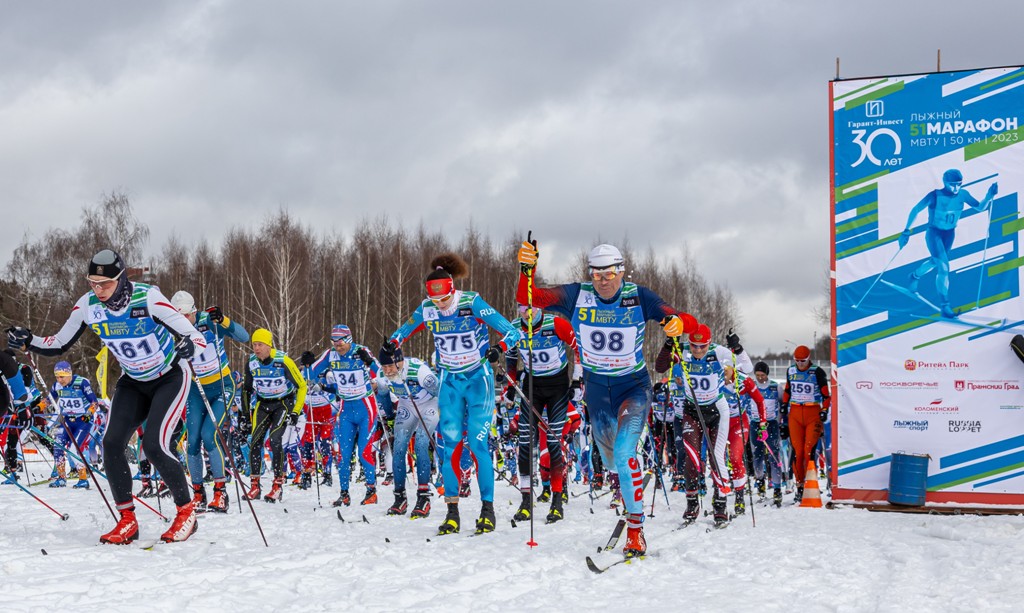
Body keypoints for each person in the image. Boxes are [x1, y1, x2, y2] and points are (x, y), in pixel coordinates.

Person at [7, 249, 207, 544]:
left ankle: (186, 511)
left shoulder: (147, 298)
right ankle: (127, 520)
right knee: (111, 444)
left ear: (121, 279)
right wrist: (30, 341)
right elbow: (59, 343)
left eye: (105, 283)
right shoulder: (88, 306)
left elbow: (194, 335)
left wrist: (190, 345)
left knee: (153, 445)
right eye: (93, 283)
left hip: (170, 377)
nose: (98, 289)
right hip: (133, 382)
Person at [517, 240, 698, 558]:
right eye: (597, 273)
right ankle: (632, 473)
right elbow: (528, 298)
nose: (603, 279)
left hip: (633, 388)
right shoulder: (577, 294)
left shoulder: (639, 296)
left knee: (626, 455)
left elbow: (678, 317)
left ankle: (636, 531)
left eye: (609, 273)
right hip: (598, 393)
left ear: (621, 271)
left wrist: (679, 323)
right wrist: (526, 270)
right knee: (614, 463)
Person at [383, 253, 521, 536]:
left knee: (479, 446)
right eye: (435, 301)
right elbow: (403, 331)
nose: (441, 306)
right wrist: (392, 343)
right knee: (451, 447)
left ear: (452, 290)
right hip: (449, 382)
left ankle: (487, 510)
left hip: (477, 380)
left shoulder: (471, 303)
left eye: (445, 300)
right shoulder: (427, 308)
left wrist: (499, 349)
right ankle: (452, 513)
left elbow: (512, 331)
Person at [171, 291, 249, 513]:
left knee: (209, 435)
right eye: (178, 317)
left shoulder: (208, 321)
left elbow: (244, 337)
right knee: (192, 440)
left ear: (194, 312)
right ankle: (198, 493)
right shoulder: (174, 328)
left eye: (186, 316)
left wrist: (223, 320)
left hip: (222, 385)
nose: (182, 322)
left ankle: (220, 491)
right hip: (196, 388)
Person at [505, 305, 582, 524]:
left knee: (553, 442)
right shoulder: (513, 328)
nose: (527, 314)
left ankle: (557, 501)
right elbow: (511, 357)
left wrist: (578, 379)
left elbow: (578, 349)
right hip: (531, 387)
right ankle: (526, 499)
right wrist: (511, 384)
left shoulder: (556, 324)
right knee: (526, 444)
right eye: (521, 309)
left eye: (531, 309)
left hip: (557, 386)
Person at [655, 324, 732, 526]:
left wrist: (737, 350)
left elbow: (746, 367)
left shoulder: (719, 352)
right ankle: (692, 503)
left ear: (709, 343)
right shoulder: (683, 351)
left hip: (716, 410)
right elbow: (660, 367)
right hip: (692, 411)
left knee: (716, 458)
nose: (698, 350)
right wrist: (669, 343)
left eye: (702, 346)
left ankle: (720, 504)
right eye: (694, 345)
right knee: (691, 456)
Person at [898, 168, 998, 318]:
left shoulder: (963, 194)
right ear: (945, 182)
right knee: (944, 267)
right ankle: (945, 306)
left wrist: (989, 196)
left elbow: (980, 208)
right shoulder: (935, 195)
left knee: (935, 262)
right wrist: (906, 231)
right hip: (934, 234)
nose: (956, 188)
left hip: (949, 234)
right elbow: (916, 209)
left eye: (959, 184)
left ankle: (914, 276)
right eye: (952, 184)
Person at [307, 324, 382, 507]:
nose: (337, 346)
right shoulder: (330, 354)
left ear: (348, 340)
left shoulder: (361, 351)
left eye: (340, 342)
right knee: (342, 454)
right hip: (346, 408)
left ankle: (371, 491)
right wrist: (308, 363)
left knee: (364, 452)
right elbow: (309, 374)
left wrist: (369, 362)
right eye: (333, 342)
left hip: (365, 406)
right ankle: (344, 494)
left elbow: (380, 373)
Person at [240, 328, 307, 503]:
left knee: (275, 440)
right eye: (254, 344)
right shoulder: (252, 362)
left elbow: (302, 386)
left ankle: (277, 485)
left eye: (260, 344)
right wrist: (245, 416)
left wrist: (295, 411)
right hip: (263, 404)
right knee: (255, 441)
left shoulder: (283, 361)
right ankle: (255, 485)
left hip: (283, 403)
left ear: (269, 345)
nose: (256, 348)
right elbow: (246, 390)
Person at [376, 346, 439, 518]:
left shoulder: (420, 372)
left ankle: (423, 498)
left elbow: (440, 392)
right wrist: (389, 417)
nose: (387, 371)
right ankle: (400, 497)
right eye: (384, 366)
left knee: (420, 444)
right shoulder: (382, 375)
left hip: (430, 405)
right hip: (407, 406)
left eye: (390, 366)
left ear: (400, 362)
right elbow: (382, 395)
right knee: (399, 447)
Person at [781, 345, 831, 504]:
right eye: (797, 361)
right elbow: (788, 390)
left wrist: (824, 410)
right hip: (795, 412)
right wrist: (784, 406)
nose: (800, 364)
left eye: (803, 361)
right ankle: (800, 485)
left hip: (812, 413)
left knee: (809, 450)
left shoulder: (817, 372)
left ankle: (811, 483)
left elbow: (826, 395)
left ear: (809, 359)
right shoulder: (791, 371)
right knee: (797, 451)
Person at [47, 361, 99, 489]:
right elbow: (48, 400)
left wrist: (89, 413)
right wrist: (38, 407)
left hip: (83, 421)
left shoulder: (81, 383)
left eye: (62, 376)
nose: (60, 380)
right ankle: (61, 478)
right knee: (57, 446)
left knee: (73, 449)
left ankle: (83, 478)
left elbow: (94, 402)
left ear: (69, 374)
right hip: (67, 421)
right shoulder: (56, 386)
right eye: (57, 377)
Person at [721, 365, 765, 516]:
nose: (723, 375)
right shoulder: (714, 377)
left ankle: (739, 496)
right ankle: (719, 494)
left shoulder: (744, 381)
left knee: (735, 456)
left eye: (725, 371)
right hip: (719, 422)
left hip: (738, 422)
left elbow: (759, 401)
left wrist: (762, 423)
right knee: (717, 459)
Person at [751, 361, 784, 506]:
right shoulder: (752, 386)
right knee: (757, 455)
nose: (760, 378)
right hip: (755, 423)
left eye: (762, 375)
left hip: (771, 424)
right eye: (757, 375)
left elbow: (782, 403)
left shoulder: (775, 386)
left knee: (773, 455)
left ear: (767, 374)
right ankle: (760, 482)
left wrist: (783, 422)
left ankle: (777, 488)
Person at [1, 349, 30, 484]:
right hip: (10, 409)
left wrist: (23, 407)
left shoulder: (23, 370)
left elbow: (28, 391)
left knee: (12, 442)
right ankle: (12, 469)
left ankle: (14, 468)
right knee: (10, 444)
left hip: (14, 409)